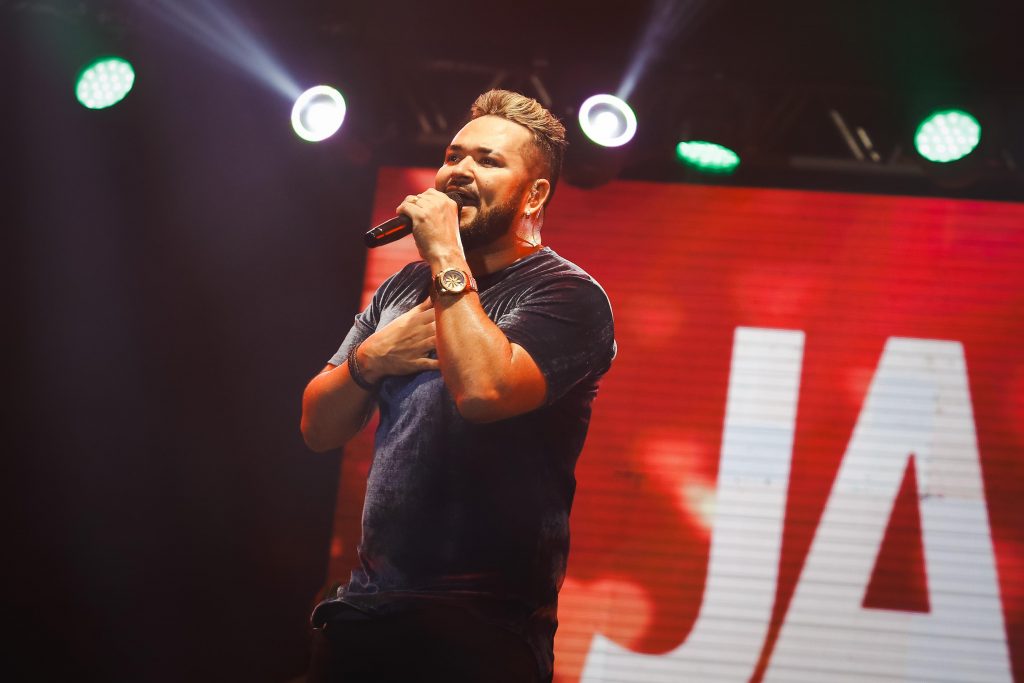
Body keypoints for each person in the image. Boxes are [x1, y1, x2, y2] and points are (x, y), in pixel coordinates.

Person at [301, 89, 615, 683]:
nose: (460, 171)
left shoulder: (568, 295)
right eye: (453, 156)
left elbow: (484, 392)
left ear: (535, 195)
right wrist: (370, 360)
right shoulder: (400, 289)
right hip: (367, 613)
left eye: (488, 161)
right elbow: (317, 428)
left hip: (482, 628)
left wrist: (445, 250)